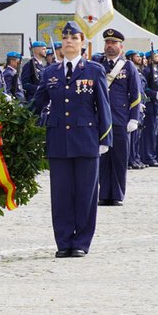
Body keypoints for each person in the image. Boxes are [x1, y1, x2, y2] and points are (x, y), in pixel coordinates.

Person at [28, 21, 112, 257]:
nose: (68, 42)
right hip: (58, 141)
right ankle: (64, 242)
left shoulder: (94, 70)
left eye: (74, 38)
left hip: (86, 140)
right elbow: (37, 103)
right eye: (65, 38)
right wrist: (13, 119)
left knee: (86, 195)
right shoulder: (50, 72)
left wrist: (105, 139)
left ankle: (81, 243)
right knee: (61, 195)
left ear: (82, 43)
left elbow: (103, 106)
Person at [97, 29, 142, 206]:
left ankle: (116, 195)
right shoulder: (97, 65)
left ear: (121, 46)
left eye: (114, 43)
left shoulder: (128, 66)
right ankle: (103, 194)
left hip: (120, 119)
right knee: (102, 159)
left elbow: (135, 94)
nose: (110, 46)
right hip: (100, 119)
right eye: (107, 42)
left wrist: (134, 118)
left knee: (119, 159)